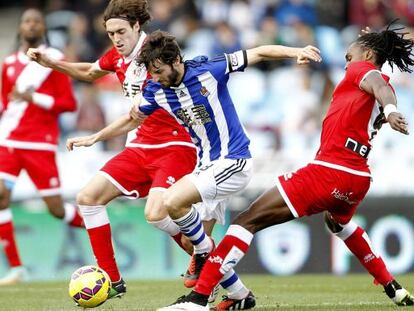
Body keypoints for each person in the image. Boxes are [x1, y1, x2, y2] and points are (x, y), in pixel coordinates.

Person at [156, 25, 414, 311]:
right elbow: (380, 88)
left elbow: (376, 82)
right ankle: (393, 287)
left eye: (350, 55)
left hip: (330, 171)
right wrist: (387, 106)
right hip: (357, 179)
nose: (346, 61)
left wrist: (391, 111)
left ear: (367, 54)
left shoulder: (363, 71)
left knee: (246, 221)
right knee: (337, 223)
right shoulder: (372, 85)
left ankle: (199, 299)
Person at [28, 1, 255, 307]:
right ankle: (112, 280)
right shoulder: (117, 57)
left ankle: (222, 279)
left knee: (176, 227)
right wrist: (53, 64)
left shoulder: (156, 54)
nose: (116, 39)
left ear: (138, 27)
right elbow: (90, 71)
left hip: (177, 146)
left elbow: (185, 81)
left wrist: (97, 135)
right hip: (139, 146)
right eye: (110, 34)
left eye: (121, 31)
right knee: (87, 198)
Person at [123, 31, 321, 310]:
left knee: (171, 202)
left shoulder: (209, 70)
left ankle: (199, 288)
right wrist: (94, 138)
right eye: (151, 73)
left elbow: (259, 52)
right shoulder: (156, 91)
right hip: (205, 168)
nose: (154, 78)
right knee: (196, 240)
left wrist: (295, 51)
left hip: (233, 162)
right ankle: (240, 295)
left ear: (176, 61)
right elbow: (133, 117)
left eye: (158, 71)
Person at [0, 8, 82, 286]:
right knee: (0, 196)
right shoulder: (9, 63)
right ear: (21, 27)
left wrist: (33, 97)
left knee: (56, 210)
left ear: (42, 27)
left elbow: (69, 104)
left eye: (36, 21)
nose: (31, 25)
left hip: (39, 144)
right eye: (26, 20)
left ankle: (95, 223)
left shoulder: (54, 60)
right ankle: (16, 268)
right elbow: (4, 104)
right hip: (9, 141)